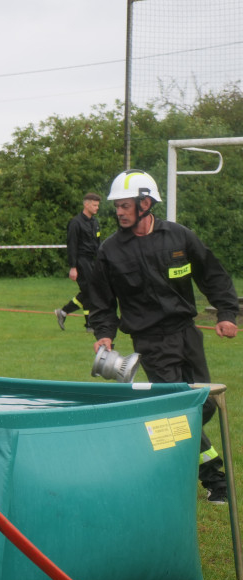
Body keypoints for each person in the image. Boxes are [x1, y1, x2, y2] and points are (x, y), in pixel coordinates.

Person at [89, 170, 237, 505]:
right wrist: (104, 334)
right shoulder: (110, 251)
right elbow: (100, 301)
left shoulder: (179, 237)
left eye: (125, 205)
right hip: (150, 341)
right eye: (117, 207)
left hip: (187, 334)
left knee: (202, 403)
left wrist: (227, 313)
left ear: (146, 203)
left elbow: (212, 275)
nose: (119, 212)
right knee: (178, 406)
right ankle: (216, 481)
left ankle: (150, 444)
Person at [55, 193, 101, 330]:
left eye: (98, 205)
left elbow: (98, 243)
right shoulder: (75, 223)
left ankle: (65, 313)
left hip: (92, 261)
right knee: (89, 291)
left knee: (89, 291)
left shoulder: (95, 222)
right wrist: (73, 267)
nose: (97, 208)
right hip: (81, 261)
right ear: (86, 204)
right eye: (94, 205)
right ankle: (87, 322)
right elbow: (72, 245)